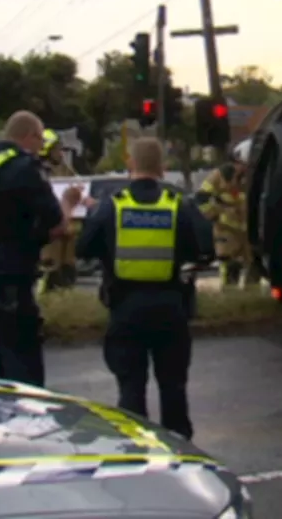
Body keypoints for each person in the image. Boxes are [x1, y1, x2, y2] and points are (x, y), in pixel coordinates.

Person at [76, 137, 213, 440]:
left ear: (130, 166)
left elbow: (82, 248)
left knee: (130, 389)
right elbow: (206, 249)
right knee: (173, 388)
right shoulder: (179, 204)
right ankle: (178, 451)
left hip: (125, 308)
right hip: (171, 306)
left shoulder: (113, 205)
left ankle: (137, 452)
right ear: (163, 168)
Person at [0, 111, 86, 386]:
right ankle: (25, 424)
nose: (42, 146)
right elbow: (58, 226)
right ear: (29, 136)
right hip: (9, 278)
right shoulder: (23, 168)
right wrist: (70, 203)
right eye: (40, 139)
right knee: (22, 364)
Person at [195, 156, 253, 287]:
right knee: (228, 265)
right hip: (225, 229)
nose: (244, 167)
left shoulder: (251, 175)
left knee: (251, 268)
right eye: (242, 163)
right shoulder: (218, 176)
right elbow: (201, 197)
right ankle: (228, 295)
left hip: (245, 230)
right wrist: (214, 216)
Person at [38, 129, 80, 293]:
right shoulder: (39, 171)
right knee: (50, 269)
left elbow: (76, 182)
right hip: (51, 231)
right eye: (57, 149)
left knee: (67, 270)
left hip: (67, 229)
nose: (61, 152)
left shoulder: (64, 168)